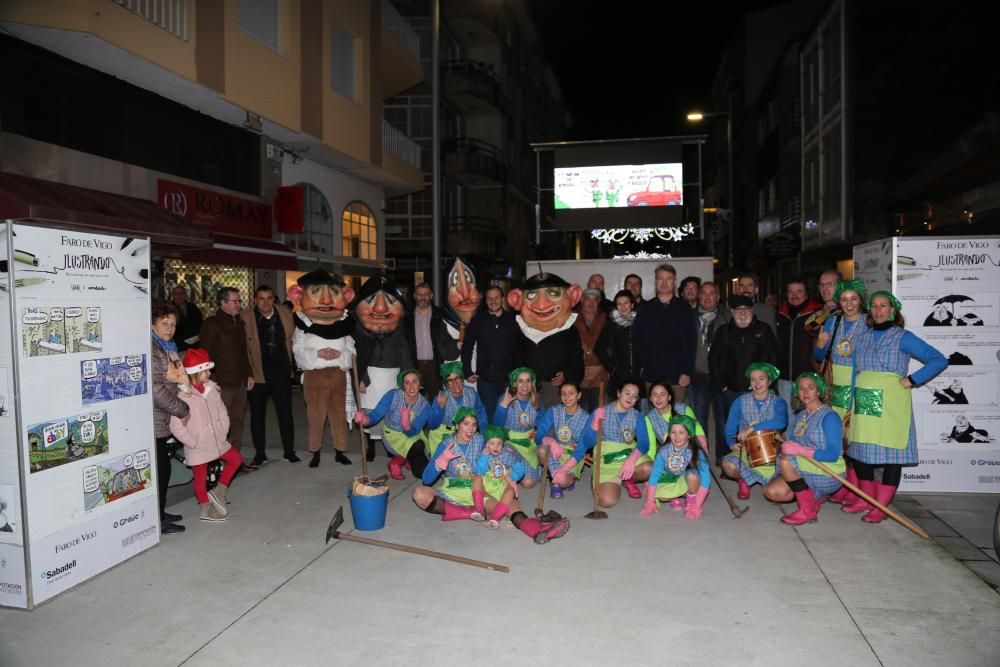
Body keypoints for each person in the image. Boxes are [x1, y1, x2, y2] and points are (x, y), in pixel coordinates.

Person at [843, 291, 947, 523]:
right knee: (860, 453)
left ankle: (881, 507)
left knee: (891, 455)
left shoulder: (903, 337)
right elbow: (854, 372)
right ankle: (866, 499)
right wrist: (851, 405)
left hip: (892, 402)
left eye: (884, 306)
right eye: (875, 306)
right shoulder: (862, 336)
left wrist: (912, 380)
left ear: (893, 310)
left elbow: (939, 359)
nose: (879, 310)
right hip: (864, 400)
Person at [413, 409, 570, 543]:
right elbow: (426, 480)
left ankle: (539, 531)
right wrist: (441, 461)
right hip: (457, 486)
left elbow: (505, 452)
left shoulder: (481, 440)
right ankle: (470, 512)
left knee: (510, 508)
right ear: (457, 425)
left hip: (483, 487)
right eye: (466, 423)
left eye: (474, 424)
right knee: (419, 494)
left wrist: (513, 476)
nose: (470, 429)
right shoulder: (446, 443)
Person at [287, 270, 356, 468]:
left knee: (338, 414)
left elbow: (351, 349)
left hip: (338, 374)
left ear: (346, 296)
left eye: (333, 293)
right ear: (298, 296)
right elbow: (297, 349)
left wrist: (340, 356)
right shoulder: (303, 324)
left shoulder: (344, 324)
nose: (326, 300)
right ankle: (315, 451)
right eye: (317, 292)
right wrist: (317, 355)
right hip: (314, 376)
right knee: (315, 415)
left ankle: (340, 450)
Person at [168, 349, 244, 522]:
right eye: (206, 371)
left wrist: (223, 429)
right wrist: (192, 442)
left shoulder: (212, 389)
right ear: (195, 373)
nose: (209, 373)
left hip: (218, 440)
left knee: (236, 459)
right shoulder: (182, 396)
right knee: (200, 478)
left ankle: (219, 491)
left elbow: (222, 411)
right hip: (199, 445)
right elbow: (176, 425)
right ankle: (205, 509)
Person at [764, 372, 846, 525]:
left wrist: (799, 451)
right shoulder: (802, 415)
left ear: (819, 390)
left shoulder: (829, 417)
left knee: (786, 461)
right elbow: (794, 443)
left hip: (829, 471)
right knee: (773, 492)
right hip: (807, 467)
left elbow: (833, 454)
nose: (805, 392)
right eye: (801, 389)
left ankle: (807, 510)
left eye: (811, 388)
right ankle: (814, 496)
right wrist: (784, 443)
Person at [813, 279, 868, 506]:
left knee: (859, 441)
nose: (849, 304)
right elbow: (818, 357)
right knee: (841, 442)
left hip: (862, 388)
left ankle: (860, 492)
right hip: (837, 387)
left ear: (861, 301)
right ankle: (846, 487)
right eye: (844, 299)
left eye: (854, 299)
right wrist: (820, 344)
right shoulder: (833, 322)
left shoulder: (870, 323)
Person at [708, 295, 780, 463]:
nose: (742, 313)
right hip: (729, 390)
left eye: (746, 309)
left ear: (752, 310)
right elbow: (713, 359)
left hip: (757, 391)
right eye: (738, 310)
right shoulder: (723, 332)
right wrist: (721, 385)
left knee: (756, 426)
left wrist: (769, 385)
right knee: (727, 426)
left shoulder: (763, 330)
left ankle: (758, 460)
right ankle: (726, 459)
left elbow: (774, 358)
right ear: (732, 312)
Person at [354, 277, 414, 451]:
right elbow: (358, 358)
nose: (380, 308)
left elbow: (405, 356)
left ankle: (390, 446)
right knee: (370, 412)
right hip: (371, 378)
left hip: (392, 378)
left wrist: (407, 379)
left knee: (391, 413)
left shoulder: (399, 331)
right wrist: (362, 378)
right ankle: (370, 448)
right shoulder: (360, 332)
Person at [508, 272, 584, 407]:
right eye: (531, 295)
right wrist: (517, 383)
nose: (542, 305)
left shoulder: (570, 331)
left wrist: (566, 375)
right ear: (517, 300)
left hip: (555, 390)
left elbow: (577, 362)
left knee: (554, 422)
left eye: (554, 293)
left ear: (573, 296)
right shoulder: (519, 331)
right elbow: (514, 361)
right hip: (528, 389)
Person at [199, 287, 255, 468]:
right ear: (222, 303)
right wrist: (211, 382)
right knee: (222, 425)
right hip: (221, 383)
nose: (239, 304)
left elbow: (243, 352)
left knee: (237, 422)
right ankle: (220, 463)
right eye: (235, 301)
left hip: (239, 381)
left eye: (239, 301)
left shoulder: (239, 322)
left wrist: (248, 374)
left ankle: (235, 461)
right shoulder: (212, 324)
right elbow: (205, 354)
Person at [243, 285, 298, 466]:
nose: (265, 302)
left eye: (269, 298)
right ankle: (260, 453)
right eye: (261, 298)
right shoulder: (246, 318)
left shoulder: (286, 315)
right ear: (255, 300)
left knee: (286, 414)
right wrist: (247, 373)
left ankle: (289, 452)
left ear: (274, 299)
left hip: (281, 373)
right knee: (257, 416)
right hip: (258, 374)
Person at [720, 363, 789, 499]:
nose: (757, 383)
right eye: (753, 379)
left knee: (771, 493)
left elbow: (781, 422)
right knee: (728, 465)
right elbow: (730, 427)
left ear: (769, 381)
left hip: (771, 451)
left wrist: (753, 427)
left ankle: (766, 479)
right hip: (747, 450)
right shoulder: (740, 401)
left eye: (761, 378)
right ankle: (743, 480)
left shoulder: (778, 402)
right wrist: (731, 443)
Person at [578, 381, 653, 506]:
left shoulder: (637, 416)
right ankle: (601, 478)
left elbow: (644, 443)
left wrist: (631, 460)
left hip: (627, 457)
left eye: (635, 396)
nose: (630, 398)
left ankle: (628, 479)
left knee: (649, 468)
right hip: (606, 460)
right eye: (627, 393)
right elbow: (586, 442)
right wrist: (595, 424)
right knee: (607, 501)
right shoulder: (601, 411)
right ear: (619, 393)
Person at [151, 302, 189, 535]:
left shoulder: (167, 346)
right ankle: (156, 518)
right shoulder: (153, 348)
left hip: (164, 416)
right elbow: (155, 389)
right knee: (160, 471)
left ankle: (160, 511)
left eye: (173, 324)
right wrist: (182, 409)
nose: (170, 328)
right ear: (152, 323)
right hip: (154, 417)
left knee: (163, 470)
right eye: (164, 323)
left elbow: (174, 379)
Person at [633, 264, 698, 402]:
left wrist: (687, 372)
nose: (664, 282)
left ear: (674, 282)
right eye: (660, 278)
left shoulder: (684, 308)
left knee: (677, 417)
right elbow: (637, 339)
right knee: (655, 418)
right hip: (652, 373)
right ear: (655, 281)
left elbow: (691, 342)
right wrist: (642, 365)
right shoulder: (645, 309)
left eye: (668, 278)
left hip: (677, 376)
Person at [353, 369, 432, 480]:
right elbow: (375, 415)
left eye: (414, 381)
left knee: (421, 452)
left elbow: (413, 431)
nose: (411, 386)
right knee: (420, 462)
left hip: (413, 436)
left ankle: (400, 461)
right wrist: (365, 419)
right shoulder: (392, 395)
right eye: (407, 382)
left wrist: (406, 425)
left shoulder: (425, 406)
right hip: (393, 436)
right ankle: (407, 459)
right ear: (402, 385)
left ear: (420, 383)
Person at [462, 286, 518, 423]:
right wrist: (467, 371)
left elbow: (521, 349)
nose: (493, 301)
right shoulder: (478, 320)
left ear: (503, 299)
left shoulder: (514, 320)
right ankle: (491, 444)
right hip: (486, 380)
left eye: (496, 297)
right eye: (489, 298)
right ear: (485, 301)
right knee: (490, 417)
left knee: (509, 416)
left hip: (509, 379)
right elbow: (467, 346)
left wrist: (519, 375)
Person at [641, 415, 711, 520]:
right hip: (671, 478)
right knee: (661, 497)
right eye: (673, 432)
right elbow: (654, 475)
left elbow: (706, 480)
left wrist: (697, 506)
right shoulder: (664, 451)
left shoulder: (697, 452)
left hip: (687, 479)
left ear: (689, 435)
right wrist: (650, 502)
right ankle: (675, 496)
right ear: (669, 433)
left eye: (681, 433)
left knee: (693, 476)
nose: (677, 437)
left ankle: (691, 500)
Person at [688, 281, 731, 438]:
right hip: (698, 374)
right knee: (699, 420)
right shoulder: (689, 317)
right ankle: (701, 458)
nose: (707, 297)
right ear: (699, 296)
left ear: (718, 297)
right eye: (703, 293)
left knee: (723, 420)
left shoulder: (728, 317)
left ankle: (723, 457)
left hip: (722, 376)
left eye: (711, 293)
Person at [537, 381, 590, 498]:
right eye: (563, 393)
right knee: (541, 450)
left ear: (579, 395)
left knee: (563, 481)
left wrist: (564, 469)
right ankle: (554, 478)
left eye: (571, 393)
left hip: (574, 454)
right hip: (556, 450)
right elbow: (539, 434)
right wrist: (551, 441)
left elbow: (582, 449)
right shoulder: (553, 411)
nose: (567, 397)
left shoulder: (586, 418)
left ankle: (562, 478)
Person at [405, 282, 459, 399]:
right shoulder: (406, 317)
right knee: (414, 402)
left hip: (436, 365)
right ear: (414, 296)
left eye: (426, 294)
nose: (423, 297)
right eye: (419, 294)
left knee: (438, 401)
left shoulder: (441, 315)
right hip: (414, 365)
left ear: (431, 296)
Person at [493, 368, 544, 488]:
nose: (525, 385)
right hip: (509, 443)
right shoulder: (506, 398)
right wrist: (503, 406)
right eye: (520, 381)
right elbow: (496, 426)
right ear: (514, 383)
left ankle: (537, 470)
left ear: (532, 383)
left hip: (528, 443)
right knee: (503, 462)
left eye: (528, 381)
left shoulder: (537, 400)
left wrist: (538, 435)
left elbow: (541, 423)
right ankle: (510, 473)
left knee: (528, 483)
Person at [776, 277, 822, 405]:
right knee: (788, 418)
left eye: (799, 291)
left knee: (808, 416)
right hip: (784, 378)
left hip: (808, 377)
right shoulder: (780, 314)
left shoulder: (818, 314)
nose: (794, 295)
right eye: (791, 292)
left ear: (806, 294)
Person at [426, 361, 488, 454]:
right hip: (442, 434)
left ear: (462, 379)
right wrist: (440, 408)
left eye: (457, 378)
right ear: (446, 384)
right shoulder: (440, 398)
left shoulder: (471, 393)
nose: (455, 383)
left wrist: (483, 433)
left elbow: (480, 413)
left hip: (467, 432)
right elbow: (432, 425)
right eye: (450, 380)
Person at [470, 425, 525, 529]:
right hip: (487, 485)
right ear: (486, 444)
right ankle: (479, 509)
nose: (496, 447)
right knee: (477, 479)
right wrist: (484, 457)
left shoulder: (508, 455)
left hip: (501, 484)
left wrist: (512, 476)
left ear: (503, 444)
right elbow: (478, 471)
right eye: (492, 443)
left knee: (510, 491)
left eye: (499, 444)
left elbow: (520, 469)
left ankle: (495, 518)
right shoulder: (484, 455)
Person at [575, 288, 613, 412]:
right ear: (581, 300)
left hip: (600, 378)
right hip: (577, 379)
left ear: (599, 302)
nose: (591, 303)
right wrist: (578, 368)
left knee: (598, 420)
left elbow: (613, 349)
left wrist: (602, 367)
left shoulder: (608, 319)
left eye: (595, 300)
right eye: (587, 299)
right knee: (578, 418)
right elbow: (566, 348)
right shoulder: (571, 319)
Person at [606, 289, 640, 398]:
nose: (623, 307)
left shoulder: (640, 323)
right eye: (619, 304)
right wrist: (611, 366)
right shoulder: (611, 325)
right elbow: (599, 348)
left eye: (626, 303)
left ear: (632, 305)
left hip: (638, 377)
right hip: (618, 378)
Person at [170, 285, 202, 351]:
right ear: (172, 295)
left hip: (193, 346)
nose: (179, 296)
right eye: (176, 293)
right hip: (175, 346)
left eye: (181, 293)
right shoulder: (168, 309)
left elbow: (200, 324)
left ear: (185, 295)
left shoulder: (193, 308)